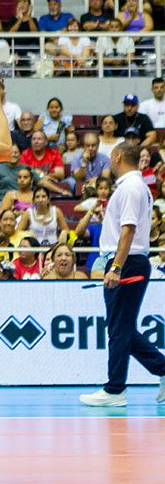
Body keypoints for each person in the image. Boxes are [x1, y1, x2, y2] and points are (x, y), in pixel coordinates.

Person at [80, 140, 165, 406]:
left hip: (125, 262)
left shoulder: (130, 187)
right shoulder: (136, 186)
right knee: (123, 328)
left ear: (116, 156)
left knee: (119, 329)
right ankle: (160, 369)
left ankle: (115, 389)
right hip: (129, 261)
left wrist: (115, 266)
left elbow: (127, 230)